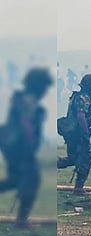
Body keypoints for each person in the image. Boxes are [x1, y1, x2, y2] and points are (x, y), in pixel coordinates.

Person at [0, 67, 52, 227]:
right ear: (38, 86)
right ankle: (21, 222)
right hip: (20, 148)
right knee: (32, 180)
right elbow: (26, 124)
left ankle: (21, 220)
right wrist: (30, 147)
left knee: (16, 179)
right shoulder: (28, 101)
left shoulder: (22, 98)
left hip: (12, 147)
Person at [57, 74, 91, 195]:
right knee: (86, 158)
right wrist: (85, 135)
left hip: (73, 135)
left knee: (73, 158)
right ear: (90, 87)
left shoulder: (78, 97)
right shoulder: (83, 98)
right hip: (77, 135)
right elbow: (81, 116)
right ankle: (78, 189)